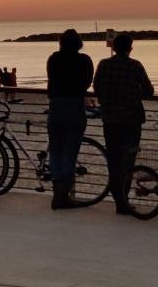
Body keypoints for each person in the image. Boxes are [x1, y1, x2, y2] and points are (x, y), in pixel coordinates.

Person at [94, 33, 154, 214]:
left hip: (110, 119)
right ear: (130, 48)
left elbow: (97, 87)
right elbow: (149, 91)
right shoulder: (135, 65)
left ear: (113, 47)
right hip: (131, 119)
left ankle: (119, 201)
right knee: (128, 160)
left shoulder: (104, 65)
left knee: (113, 160)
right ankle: (124, 199)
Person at [45, 29, 93, 209]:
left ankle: (58, 189)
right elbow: (87, 82)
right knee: (70, 152)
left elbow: (51, 78)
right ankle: (63, 194)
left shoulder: (53, 58)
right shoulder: (84, 60)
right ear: (79, 44)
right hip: (75, 105)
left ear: (61, 43)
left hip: (56, 105)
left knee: (56, 150)